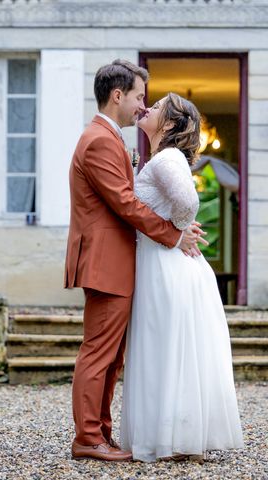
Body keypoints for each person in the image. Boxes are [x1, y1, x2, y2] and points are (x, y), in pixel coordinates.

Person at [64, 59, 206, 462]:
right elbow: (125, 203)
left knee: (110, 356)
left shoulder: (107, 138)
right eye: (140, 97)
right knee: (98, 352)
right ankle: (88, 439)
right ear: (117, 95)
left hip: (118, 261)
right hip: (105, 261)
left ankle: (100, 434)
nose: (143, 106)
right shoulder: (100, 140)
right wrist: (174, 235)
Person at [120, 92, 244, 462]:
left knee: (165, 348)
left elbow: (187, 201)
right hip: (165, 260)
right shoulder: (161, 160)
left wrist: (177, 230)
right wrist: (177, 230)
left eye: (157, 107)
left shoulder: (167, 159)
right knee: (169, 349)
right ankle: (176, 437)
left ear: (169, 125)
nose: (149, 108)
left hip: (166, 264)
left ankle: (172, 439)